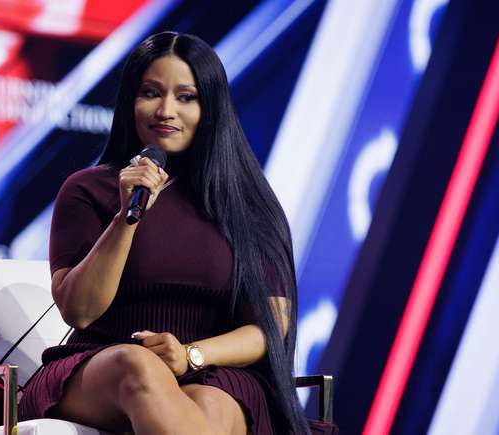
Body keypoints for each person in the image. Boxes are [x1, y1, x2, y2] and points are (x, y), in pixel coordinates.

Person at [18, 31, 311, 435]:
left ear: (210, 108)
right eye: (151, 93)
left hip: (211, 367)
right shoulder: (87, 189)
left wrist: (190, 355)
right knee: (137, 364)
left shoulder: (247, 203)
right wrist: (126, 217)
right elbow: (80, 310)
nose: (166, 110)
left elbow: (269, 327)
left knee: (211, 406)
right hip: (100, 366)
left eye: (186, 97)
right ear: (130, 102)